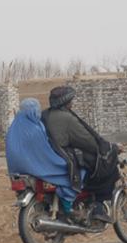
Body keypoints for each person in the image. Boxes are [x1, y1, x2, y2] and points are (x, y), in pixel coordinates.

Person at [42, 86, 121, 224]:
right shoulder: (66, 118)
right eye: (71, 100)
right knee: (106, 166)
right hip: (66, 156)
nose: (72, 103)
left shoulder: (45, 115)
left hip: (52, 155)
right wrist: (108, 148)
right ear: (66, 102)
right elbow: (88, 142)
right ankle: (98, 205)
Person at [5, 98, 82, 221]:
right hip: (33, 166)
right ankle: (68, 204)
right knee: (70, 172)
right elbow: (45, 151)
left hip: (16, 169)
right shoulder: (35, 128)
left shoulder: (13, 128)